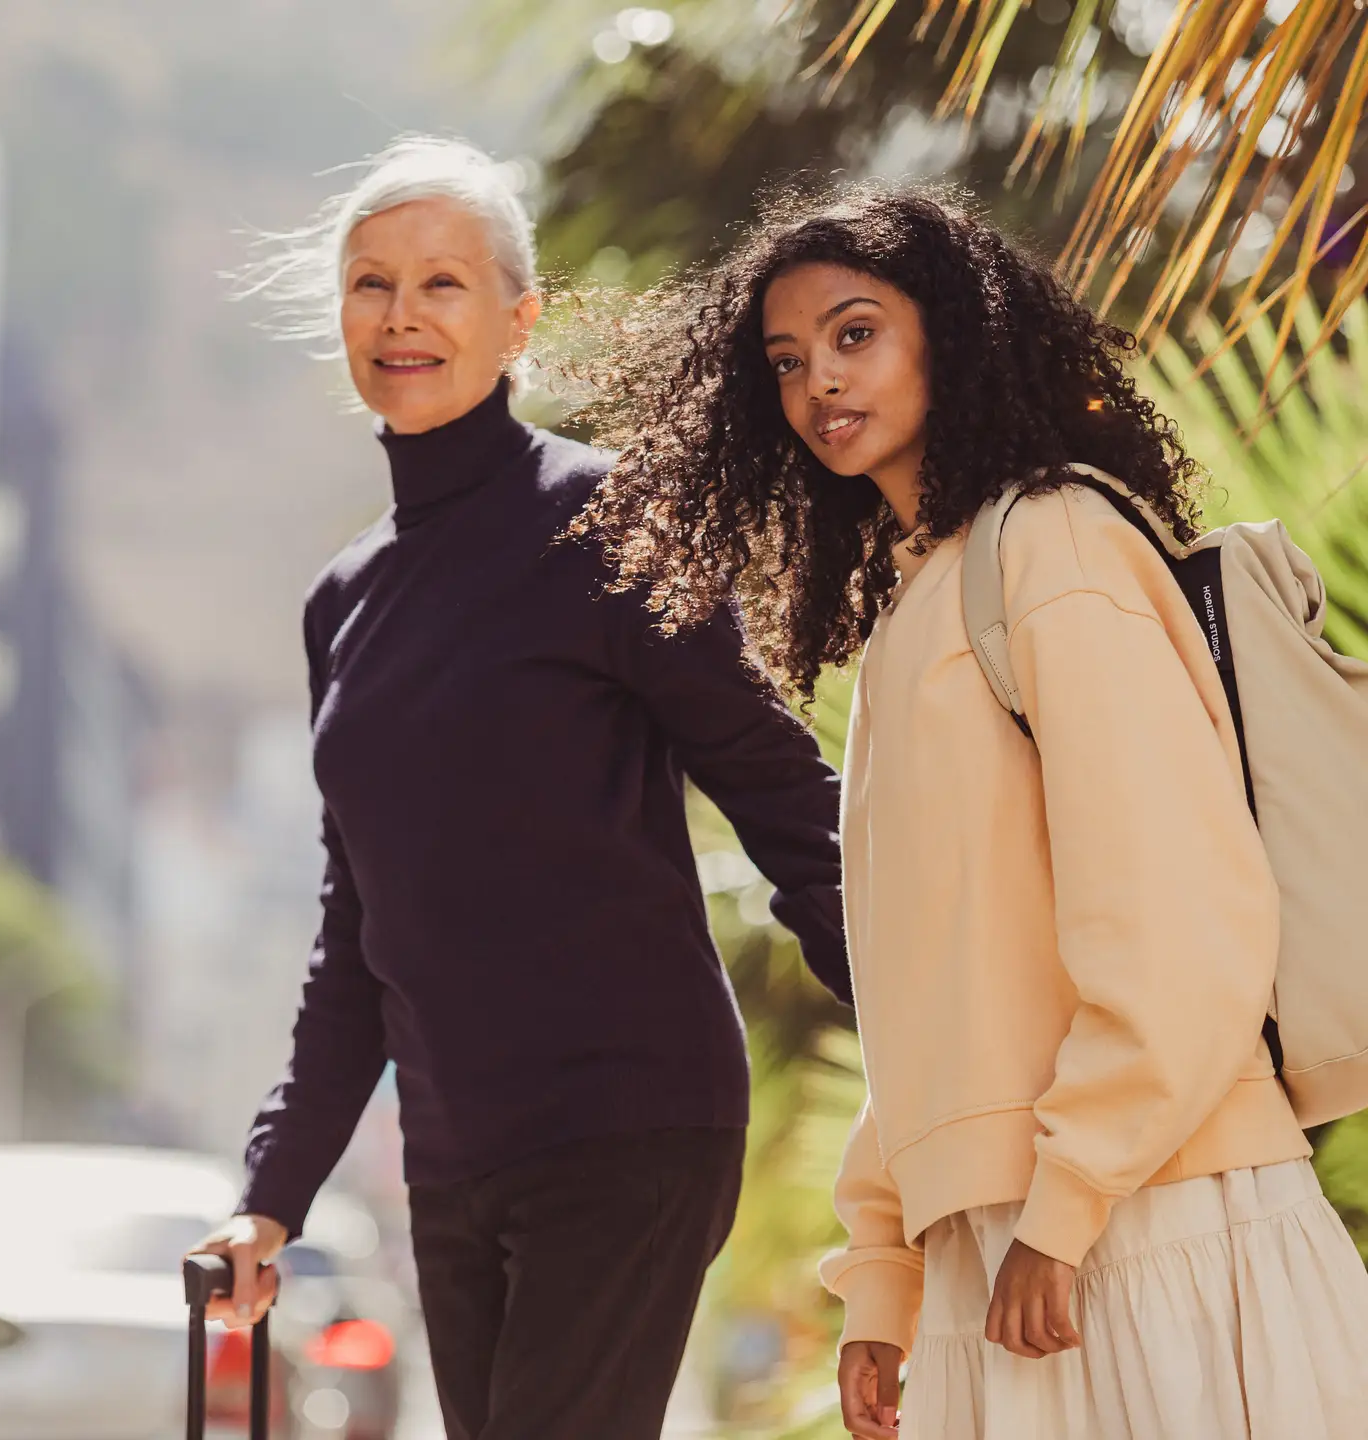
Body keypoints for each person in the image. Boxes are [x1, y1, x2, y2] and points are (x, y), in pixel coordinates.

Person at [574, 185, 1368, 1439]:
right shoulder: (914, 609)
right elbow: (929, 991)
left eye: (855, 333)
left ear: (950, 332)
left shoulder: (1053, 547)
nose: (820, 383)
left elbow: (1176, 909)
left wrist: (1071, 1197)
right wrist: (884, 1274)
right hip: (1010, 1258)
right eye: (788, 361)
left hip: (1152, 1225)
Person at [188, 137, 852, 1440]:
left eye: (443, 283)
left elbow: (785, 799)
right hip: (455, 1161)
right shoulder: (343, 601)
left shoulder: (613, 521)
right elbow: (359, 932)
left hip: (629, 1118)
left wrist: (935, 1044)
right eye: (372, 284)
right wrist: (272, 1195)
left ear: (518, 320)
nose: (403, 315)